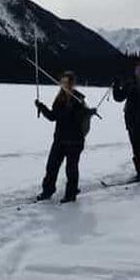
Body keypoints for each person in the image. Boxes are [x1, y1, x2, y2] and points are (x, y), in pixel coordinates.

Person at [35, 71, 96, 203]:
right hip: (60, 139)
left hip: (75, 141)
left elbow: (81, 116)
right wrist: (42, 107)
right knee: (52, 166)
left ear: (72, 84)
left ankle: (71, 193)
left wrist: (88, 112)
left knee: (71, 168)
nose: (64, 84)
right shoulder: (59, 99)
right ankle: (48, 191)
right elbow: (53, 117)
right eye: (62, 81)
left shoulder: (78, 99)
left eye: (67, 82)